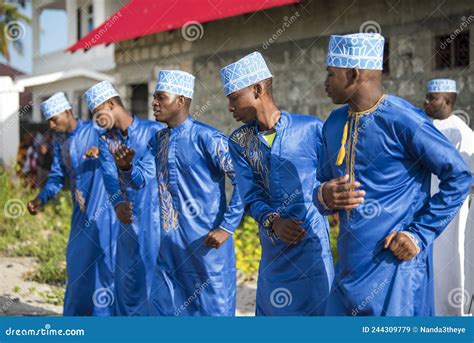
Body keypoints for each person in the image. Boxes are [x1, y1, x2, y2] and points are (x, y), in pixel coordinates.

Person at [315, 33, 472, 316]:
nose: (325, 83)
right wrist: (324, 195)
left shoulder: (404, 119)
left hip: (395, 267)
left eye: (330, 74)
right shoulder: (334, 123)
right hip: (349, 264)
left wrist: (418, 234)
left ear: (352, 74)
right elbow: (323, 182)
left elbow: (460, 176)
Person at [114, 70, 243, 316]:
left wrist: (227, 227)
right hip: (170, 247)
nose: (154, 103)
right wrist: (126, 167)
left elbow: (243, 181)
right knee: (167, 312)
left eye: (161, 97)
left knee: (211, 314)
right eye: (155, 97)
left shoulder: (208, 138)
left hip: (206, 247)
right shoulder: (158, 140)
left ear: (181, 101)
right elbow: (140, 181)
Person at [220, 52, 334, 315]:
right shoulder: (239, 142)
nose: (230, 107)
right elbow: (250, 197)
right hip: (274, 251)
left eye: (234, 98)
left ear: (258, 89)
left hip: (312, 247)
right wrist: (274, 222)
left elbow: (331, 182)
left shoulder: (310, 129)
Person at [27, 92, 118, 316]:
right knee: (78, 265)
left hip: (107, 213)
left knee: (106, 266)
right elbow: (57, 178)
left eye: (54, 119)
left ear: (68, 112)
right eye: (49, 120)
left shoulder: (96, 130)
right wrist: (41, 199)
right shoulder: (61, 143)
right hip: (81, 214)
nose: (51, 125)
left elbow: (122, 151)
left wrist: (103, 152)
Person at [83, 81, 164, 316]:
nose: (96, 119)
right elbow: (109, 175)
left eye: (98, 112)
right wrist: (117, 202)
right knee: (128, 279)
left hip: (156, 218)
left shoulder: (153, 132)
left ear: (111, 104)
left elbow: (146, 177)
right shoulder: (106, 140)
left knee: (153, 280)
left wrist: (127, 168)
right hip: (127, 218)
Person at [424, 78, 474, 316]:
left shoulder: (462, 133)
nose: (426, 102)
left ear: (448, 100)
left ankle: (452, 317)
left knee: (452, 260)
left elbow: (462, 180)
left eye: (432, 98)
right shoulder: (424, 126)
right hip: (425, 207)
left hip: (450, 212)